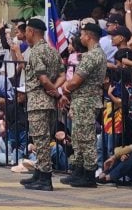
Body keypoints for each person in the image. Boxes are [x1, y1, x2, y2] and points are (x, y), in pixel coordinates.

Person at [56, 22, 107, 187]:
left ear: (89, 36)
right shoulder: (92, 54)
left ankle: (88, 173)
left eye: (83, 34)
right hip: (82, 100)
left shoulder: (93, 55)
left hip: (86, 100)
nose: (81, 37)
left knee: (85, 138)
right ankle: (78, 170)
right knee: (78, 137)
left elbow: (76, 80)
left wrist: (66, 87)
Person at [19, 18, 63, 191]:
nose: (25, 36)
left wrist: (53, 90)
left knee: (41, 140)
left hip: (39, 101)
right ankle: (39, 172)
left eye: (26, 32)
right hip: (48, 101)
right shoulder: (52, 51)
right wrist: (55, 90)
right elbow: (62, 75)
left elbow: (43, 78)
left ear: (31, 32)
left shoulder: (36, 52)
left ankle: (45, 177)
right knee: (43, 139)